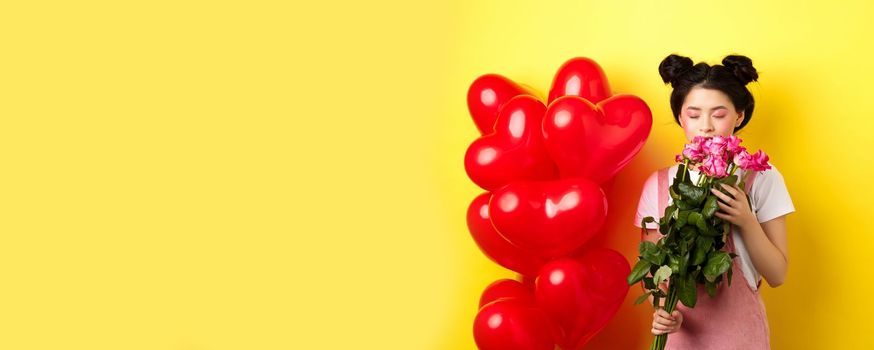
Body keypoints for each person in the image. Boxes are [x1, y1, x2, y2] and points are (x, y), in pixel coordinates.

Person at [633, 54, 796, 349]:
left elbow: (777, 274)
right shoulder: (658, 185)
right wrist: (662, 312)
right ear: (680, 117)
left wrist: (745, 219)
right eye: (694, 115)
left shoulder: (760, 177)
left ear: (740, 116)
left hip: (741, 336)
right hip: (680, 336)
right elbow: (654, 274)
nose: (705, 126)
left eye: (718, 115)